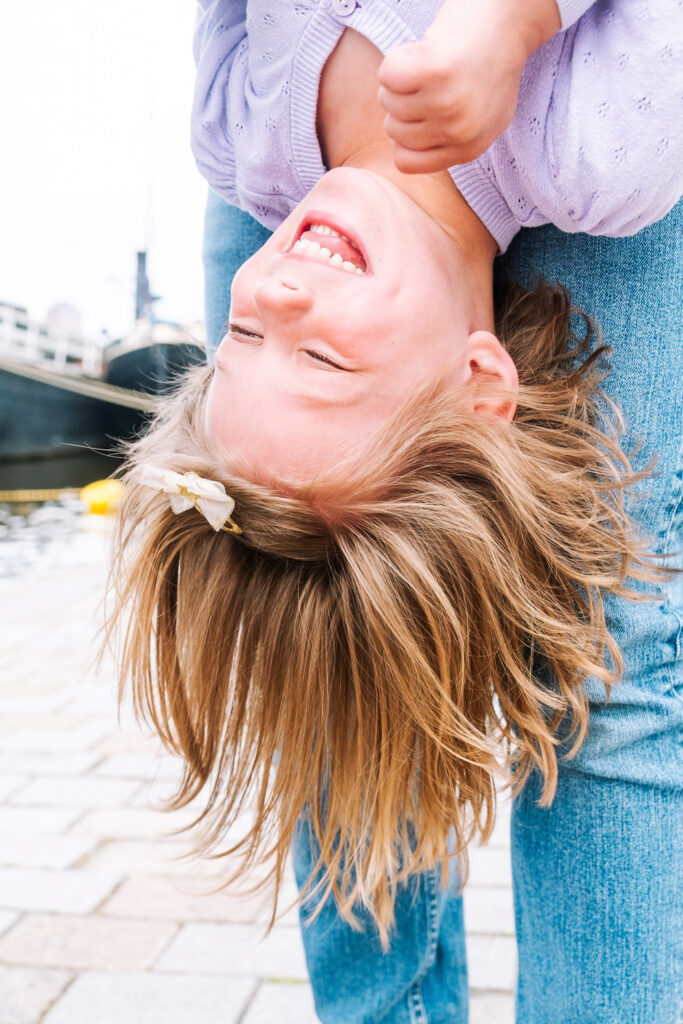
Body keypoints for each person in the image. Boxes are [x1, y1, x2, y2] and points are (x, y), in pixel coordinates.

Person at [110, 0, 683, 1019]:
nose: (275, 303)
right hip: (576, 90)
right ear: (480, 385)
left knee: (606, 673)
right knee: (333, 668)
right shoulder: (604, 141)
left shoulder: (237, 129)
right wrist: (518, 21)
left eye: (243, 331)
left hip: (287, 173)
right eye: (313, 354)